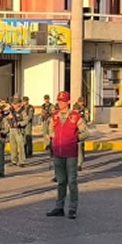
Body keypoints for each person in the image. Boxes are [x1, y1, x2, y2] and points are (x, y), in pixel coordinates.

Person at [46, 91, 89, 219]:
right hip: (58, 153)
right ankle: (59, 207)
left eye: (63, 101)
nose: (60, 103)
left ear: (68, 102)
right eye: (59, 101)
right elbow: (50, 130)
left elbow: (86, 133)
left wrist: (74, 139)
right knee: (61, 181)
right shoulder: (55, 116)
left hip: (71, 154)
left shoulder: (75, 116)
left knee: (72, 181)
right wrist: (54, 138)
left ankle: (72, 208)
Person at [8, 96, 27, 167]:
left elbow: (26, 120)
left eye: (15, 104)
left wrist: (19, 123)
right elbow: (6, 118)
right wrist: (9, 118)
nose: (14, 105)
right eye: (13, 104)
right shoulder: (11, 111)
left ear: (19, 104)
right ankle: (14, 160)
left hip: (19, 130)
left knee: (21, 146)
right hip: (12, 129)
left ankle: (22, 161)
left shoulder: (23, 111)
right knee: (13, 146)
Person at [73, 96, 89, 171]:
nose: (81, 103)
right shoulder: (74, 108)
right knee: (78, 146)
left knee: (81, 145)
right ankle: (78, 163)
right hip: (76, 128)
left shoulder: (85, 108)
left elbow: (86, 118)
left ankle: (79, 163)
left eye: (82, 102)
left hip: (82, 128)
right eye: (80, 102)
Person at [41, 94, 54, 169]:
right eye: (45, 99)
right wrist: (43, 114)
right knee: (45, 132)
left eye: (47, 99)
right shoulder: (43, 105)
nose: (46, 100)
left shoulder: (51, 106)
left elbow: (53, 112)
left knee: (50, 132)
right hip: (45, 120)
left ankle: (49, 144)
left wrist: (48, 113)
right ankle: (46, 144)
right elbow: (42, 112)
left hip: (49, 119)